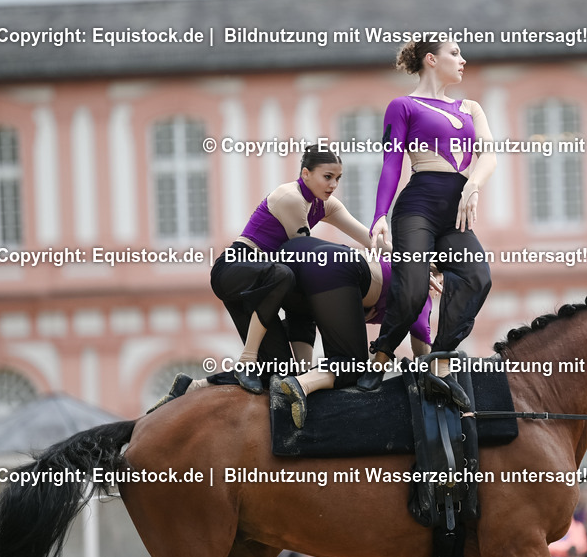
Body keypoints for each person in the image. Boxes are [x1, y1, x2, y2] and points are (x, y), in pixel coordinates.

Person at [359, 38, 497, 406]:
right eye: (455, 53)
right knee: (412, 291)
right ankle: (381, 357)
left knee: (477, 277)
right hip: (417, 208)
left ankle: (439, 361)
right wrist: (380, 216)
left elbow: (489, 155)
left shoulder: (470, 108)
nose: (463, 59)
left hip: (456, 214)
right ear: (432, 60)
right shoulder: (403, 106)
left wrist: (473, 186)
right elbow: (392, 164)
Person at [209, 144, 373, 394]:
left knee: (278, 371)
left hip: (265, 283)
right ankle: (247, 361)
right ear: (306, 173)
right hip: (235, 268)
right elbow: (304, 257)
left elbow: (370, 239)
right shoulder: (291, 197)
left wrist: (418, 263)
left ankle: (195, 386)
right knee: (290, 277)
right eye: (327, 177)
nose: (333, 185)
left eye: (338, 178)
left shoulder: (326, 205)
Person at [269, 235, 436, 427]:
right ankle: (301, 383)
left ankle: (301, 375)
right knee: (352, 366)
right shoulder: (419, 287)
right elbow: (422, 348)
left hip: (291, 257)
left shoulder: (391, 261)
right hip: (330, 267)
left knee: (303, 318)